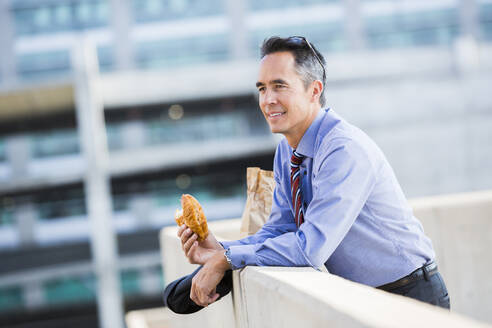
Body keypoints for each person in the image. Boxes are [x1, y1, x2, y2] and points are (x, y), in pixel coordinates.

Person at [176, 36, 450, 310]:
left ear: (314, 90)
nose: (268, 99)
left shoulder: (343, 149)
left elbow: (311, 248)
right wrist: (222, 249)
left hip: (411, 295)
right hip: (364, 299)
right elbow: (281, 228)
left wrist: (228, 259)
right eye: (262, 88)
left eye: (279, 86)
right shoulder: (286, 151)